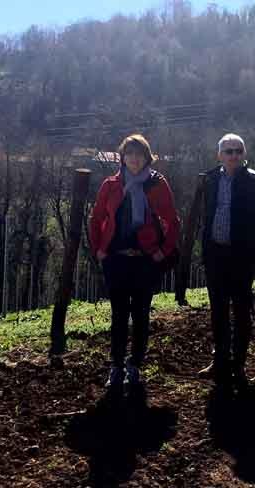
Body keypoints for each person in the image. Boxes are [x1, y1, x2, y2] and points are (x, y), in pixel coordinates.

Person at [89, 134, 180, 391]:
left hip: (144, 261)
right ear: (122, 157)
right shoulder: (110, 185)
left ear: (147, 157)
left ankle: (135, 365)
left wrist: (163, 251)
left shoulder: (157, 185)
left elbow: (173, 221)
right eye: (129, 153)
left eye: (139, 154)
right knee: (118, 315)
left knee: (140, 315)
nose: (134, 159)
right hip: (116, 260)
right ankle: (116, 366)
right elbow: (96, 219)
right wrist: (98, 249)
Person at [197, 133, 255, 390]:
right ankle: (219, 360)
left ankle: (238, 364)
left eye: (238, 151)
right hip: (215, 254)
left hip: (241, 257)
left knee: (242, 311)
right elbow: (204, 214)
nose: (234, 155)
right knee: (218, 311)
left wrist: (253, 244)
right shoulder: (209, 180)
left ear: (244, 154)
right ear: (219, 155)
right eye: (228, 151)